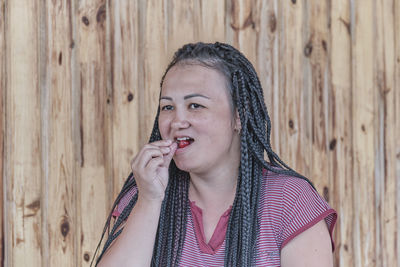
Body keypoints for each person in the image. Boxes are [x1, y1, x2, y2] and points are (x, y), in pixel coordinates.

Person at [93, 42, 337, 266]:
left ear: (239, 115)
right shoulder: (145, 195)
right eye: (167, 107)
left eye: (195, 105)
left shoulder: (290, 200)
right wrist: (149, 201)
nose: (177, 121)